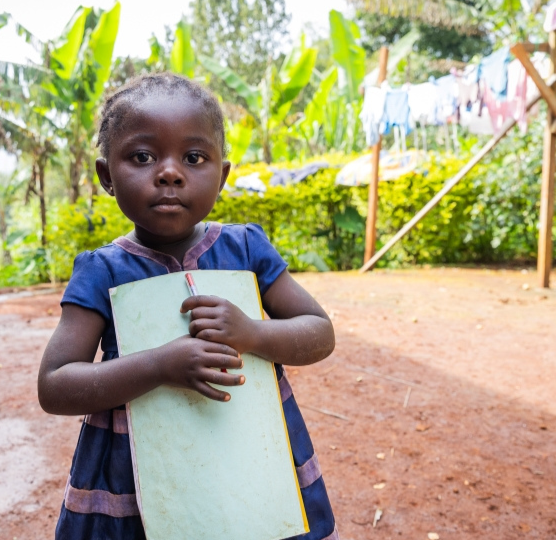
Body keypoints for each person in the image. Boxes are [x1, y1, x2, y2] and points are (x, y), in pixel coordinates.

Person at [38, 73, 338, 540]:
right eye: (142, 157)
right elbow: (55, 385)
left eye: (194, 157)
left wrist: (253, 334)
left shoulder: (247, 251)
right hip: (135, 477)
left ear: (222, 175)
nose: (170, 172)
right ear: (106, 177)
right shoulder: (102, 271)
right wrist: (160, 364)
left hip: (249, 455)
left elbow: (319, 332)